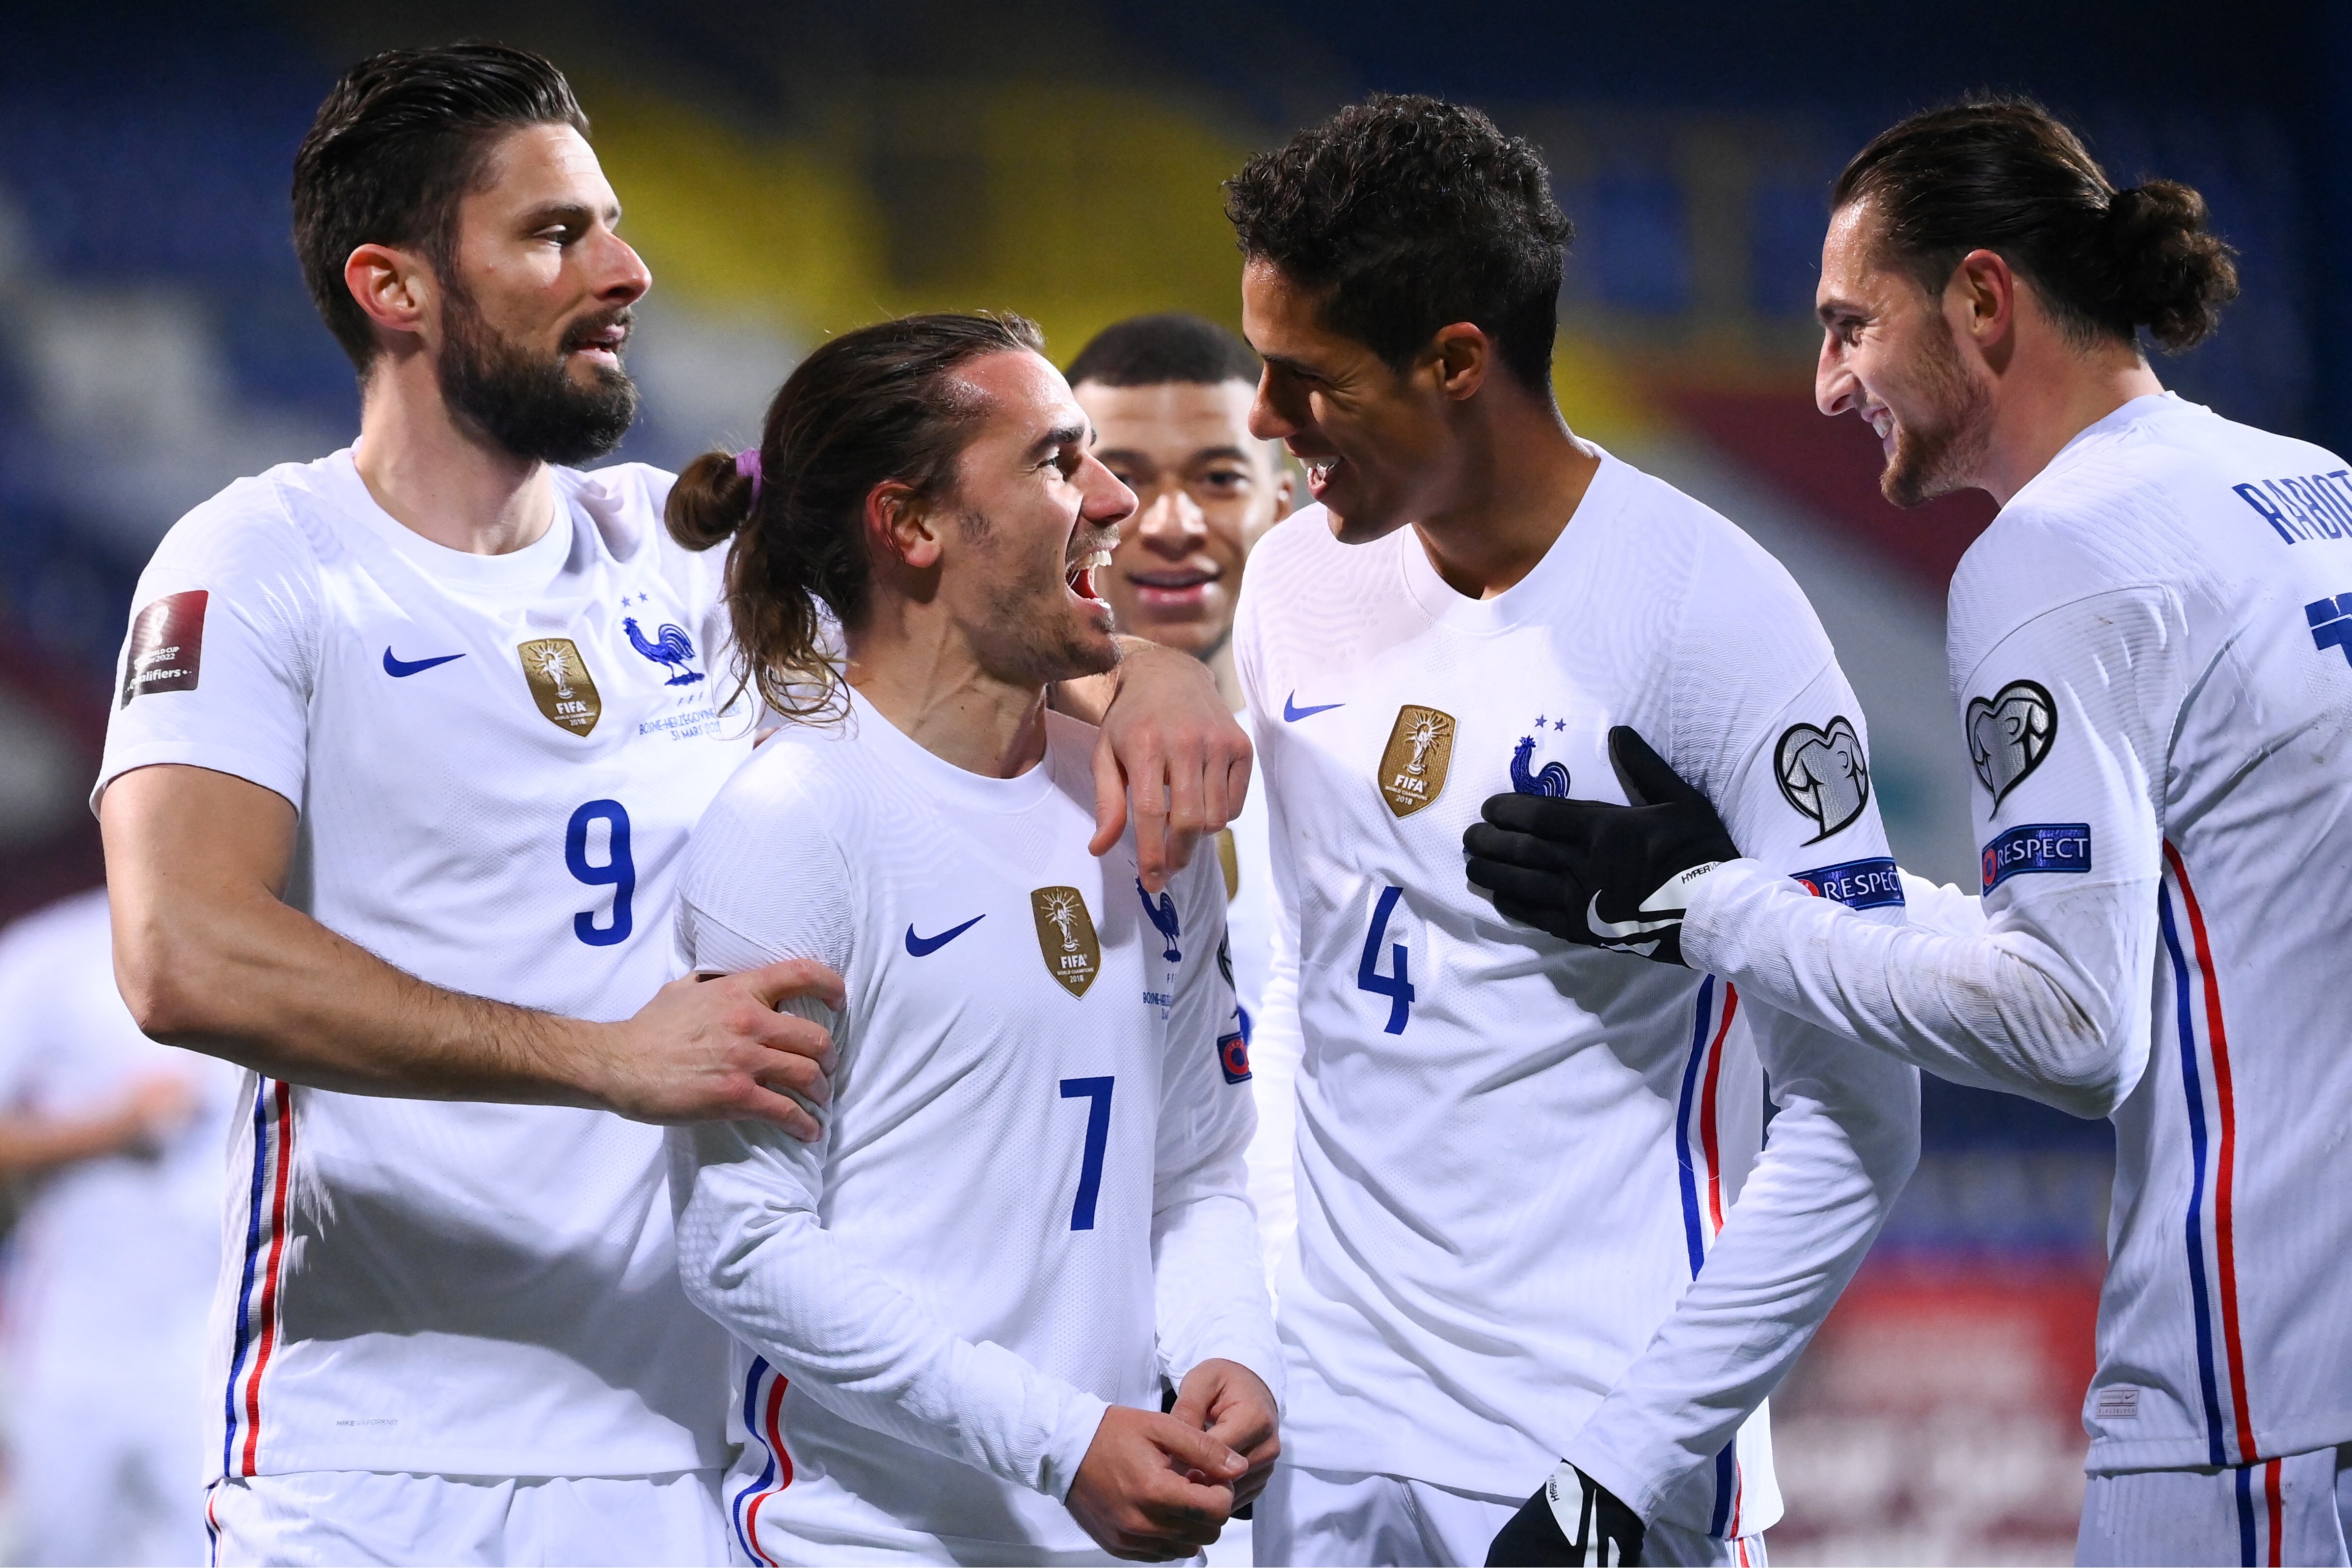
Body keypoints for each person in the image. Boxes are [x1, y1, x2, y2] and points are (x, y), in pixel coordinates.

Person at [96, 45, 1245, 1563]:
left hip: (671, 1462)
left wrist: (1155, 677)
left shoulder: (678, 560)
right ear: (396, 288)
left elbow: (971, 605)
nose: (628, 270)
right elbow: (185, 953)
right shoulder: (262, 560)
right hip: (370, 1454)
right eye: (558, 235)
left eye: (617, 223)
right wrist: (604, 1057)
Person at [1462, 97, 2352, 1567]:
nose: (1826, 383)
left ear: (1982, 300)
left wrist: (1707, 911)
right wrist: (1769, 885)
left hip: (2253, 1398)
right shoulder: (2307, 486)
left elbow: (2071, 1025)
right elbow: (2160, 936)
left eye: (1848, 326)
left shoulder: (2055, 558)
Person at [1222, 94, 1920, 1567]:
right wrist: (1272, 1319)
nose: (1268, 422)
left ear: (1457, 362)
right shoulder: (1289, 580)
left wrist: (1626, 1462)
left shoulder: (1712, 621)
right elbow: (1297, 979)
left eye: (1306, 380)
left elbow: (1862, 1117)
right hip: (1327, 1431)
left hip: (1580, 1430)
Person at [663, 310, 1282, 1565]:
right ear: (912, 524)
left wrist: (1229, 1350)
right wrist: (1059, 1440)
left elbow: (1197, 1171)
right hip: (866, 1544)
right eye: (1059, 460)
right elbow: (744, 1246)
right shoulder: (798, 820)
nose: (1112, 499)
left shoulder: (1141, 806)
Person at [1066, 312, 1298, 1299]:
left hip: (1329, 1375)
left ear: (1284, 504)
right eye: (1122, 476)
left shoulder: (1382, 775)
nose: (1165, 522)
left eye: (1216, 477)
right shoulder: (989, 778)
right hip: (1081, 1369)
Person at [0, 889, 241, 1567]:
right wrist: (110, 1129)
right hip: (74, 1346)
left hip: (218, 1350)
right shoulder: (50, 952)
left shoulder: (273, 943)